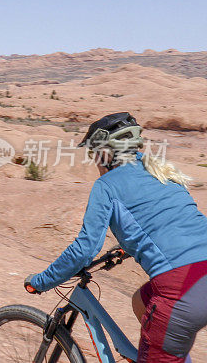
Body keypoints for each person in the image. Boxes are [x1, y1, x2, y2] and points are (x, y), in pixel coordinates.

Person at [25, 112, 207, 363]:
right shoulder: (161, 170)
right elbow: (166, 223)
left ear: (106, 153)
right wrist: (126, 248)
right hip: (199, 279)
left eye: (93, 154)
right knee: (140, 302)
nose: (94, 162)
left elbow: (84, 250)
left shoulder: (107, 185)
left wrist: (42, 281)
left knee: (164, 335)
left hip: (180, 291)